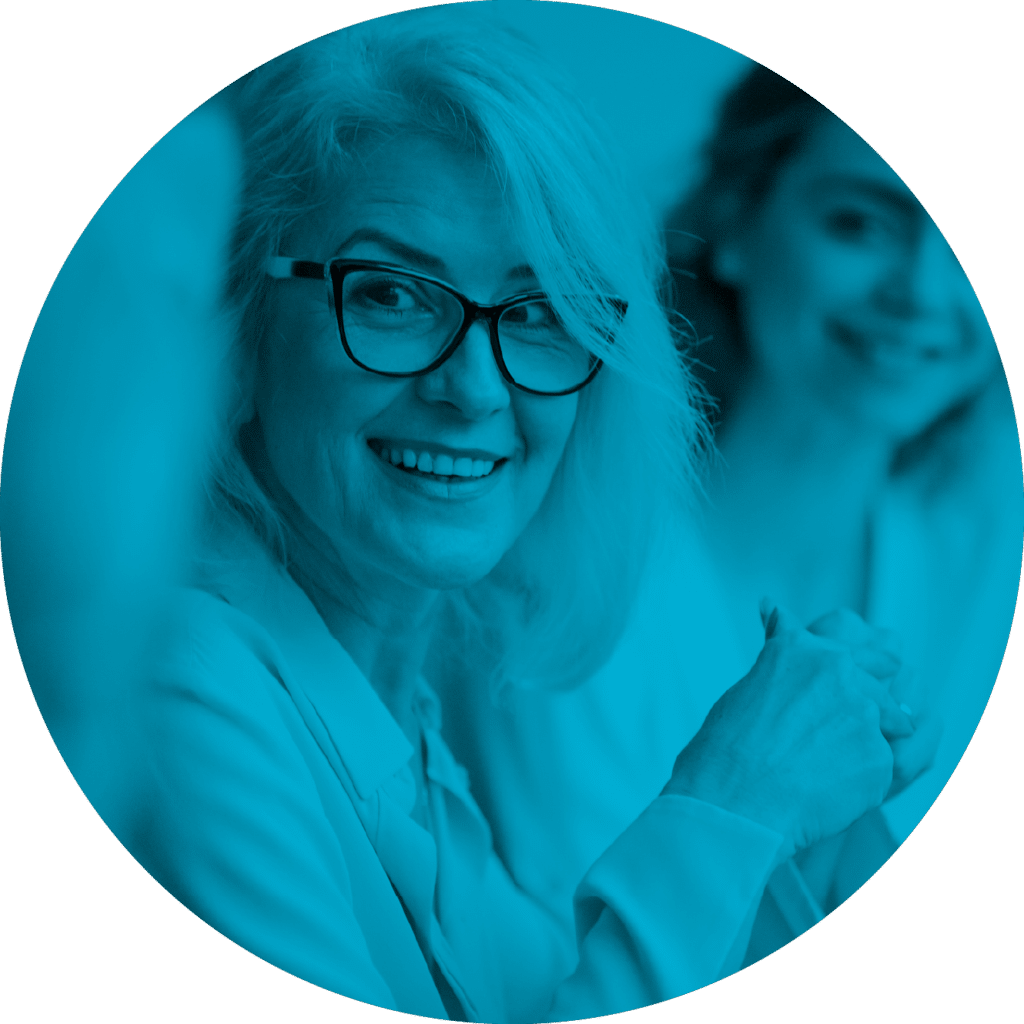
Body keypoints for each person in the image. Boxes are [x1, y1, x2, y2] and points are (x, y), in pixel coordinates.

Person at [2, 14, 926, 1020]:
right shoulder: (188, 681)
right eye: (392, 295)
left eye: (540, 312)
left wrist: (801, 820)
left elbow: (557, 996)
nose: (475, 387)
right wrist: (735, 799)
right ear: (247, 331)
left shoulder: (399, 727)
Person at [441, 61, 1022, 977]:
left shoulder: (984, 567)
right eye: (859, 224)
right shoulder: (561, 570)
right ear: (737, 220)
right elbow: (588, 962)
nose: (923, 291)